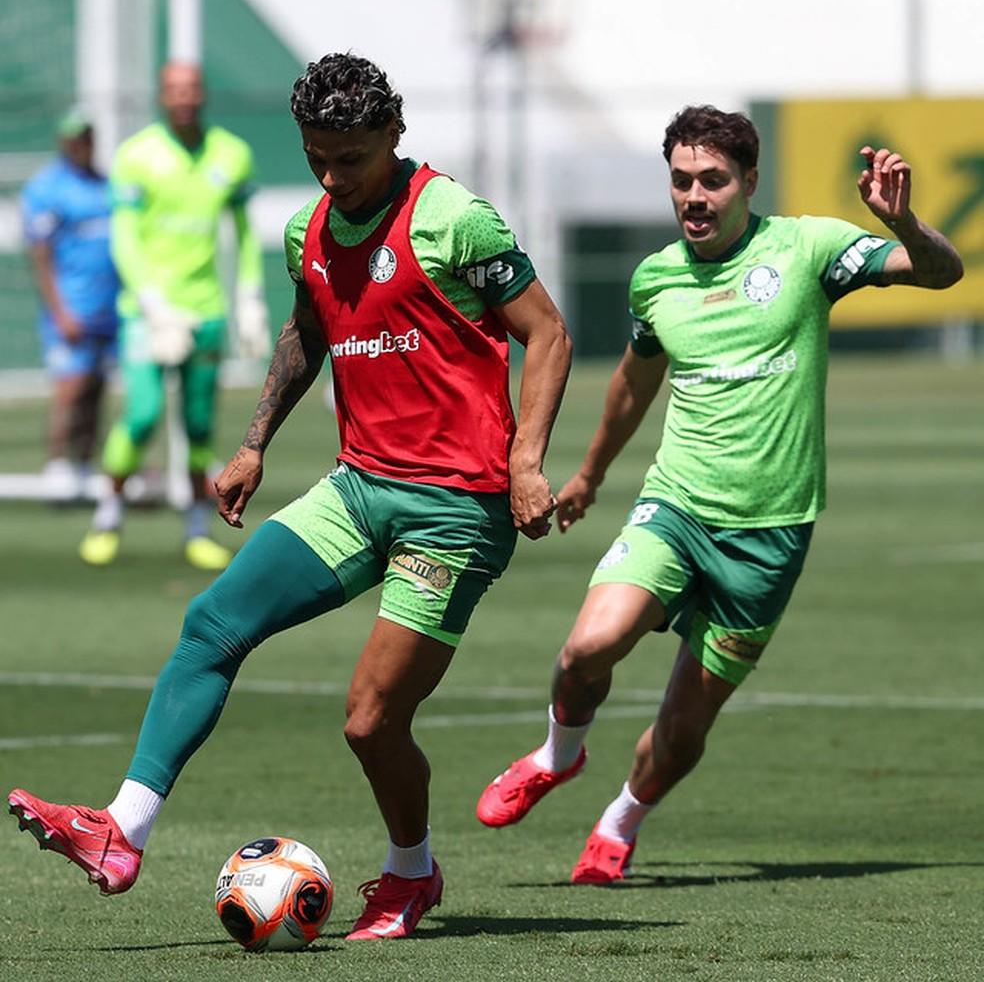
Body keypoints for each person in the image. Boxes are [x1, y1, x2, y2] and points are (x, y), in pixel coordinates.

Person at [8, 53, 572, 941]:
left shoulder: (452, 216)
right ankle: (121, 831)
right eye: (317, 156)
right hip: (357, 489)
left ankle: (410, 873)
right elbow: (308, 330)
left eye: (350, 157)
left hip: (455, 509)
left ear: (392, 134)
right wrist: (252, 444)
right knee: (211, 623)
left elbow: (547, 332)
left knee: (370, 720)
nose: (332, 176)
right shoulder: (307, 230)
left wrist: (529, 460)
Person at [475, 105, 963, 884]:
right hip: (678, 508)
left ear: (748, 183)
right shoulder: (657, 278)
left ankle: (621, 818)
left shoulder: (808, 247)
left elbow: (943, 274)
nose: (694, 197)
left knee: (682, 730)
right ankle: (558, 756)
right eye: (680, 182)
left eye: (712, 181)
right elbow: (635, 384)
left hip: (770, 536)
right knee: (586, 649)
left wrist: (905, 226)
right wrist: (591, 475)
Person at [79, 61, 271, 570]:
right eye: (174, 90)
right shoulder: (136, 155)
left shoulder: (231, 154)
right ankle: (108, 513)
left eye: (192, 89)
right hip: (148, 314)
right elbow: (123, 237)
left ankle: (195, 527)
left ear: (202, 93)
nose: (184, 98)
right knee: (141, 415)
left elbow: (247, 233)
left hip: (205, 309)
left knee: (200, 423)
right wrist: (152, 305)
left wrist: (249, 297)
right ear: (162, 95)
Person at [20, 108, 120, 501]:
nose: (83, 145)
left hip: (108, 309)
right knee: (70, 387)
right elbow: (40, 255)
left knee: (97, 388)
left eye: (88, 137)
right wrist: (60, 311)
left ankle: (84, 462)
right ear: (64, 142)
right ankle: (57, 462)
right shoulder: (47, 190)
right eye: (75, 138)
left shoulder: (106, 185)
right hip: (72, 308)